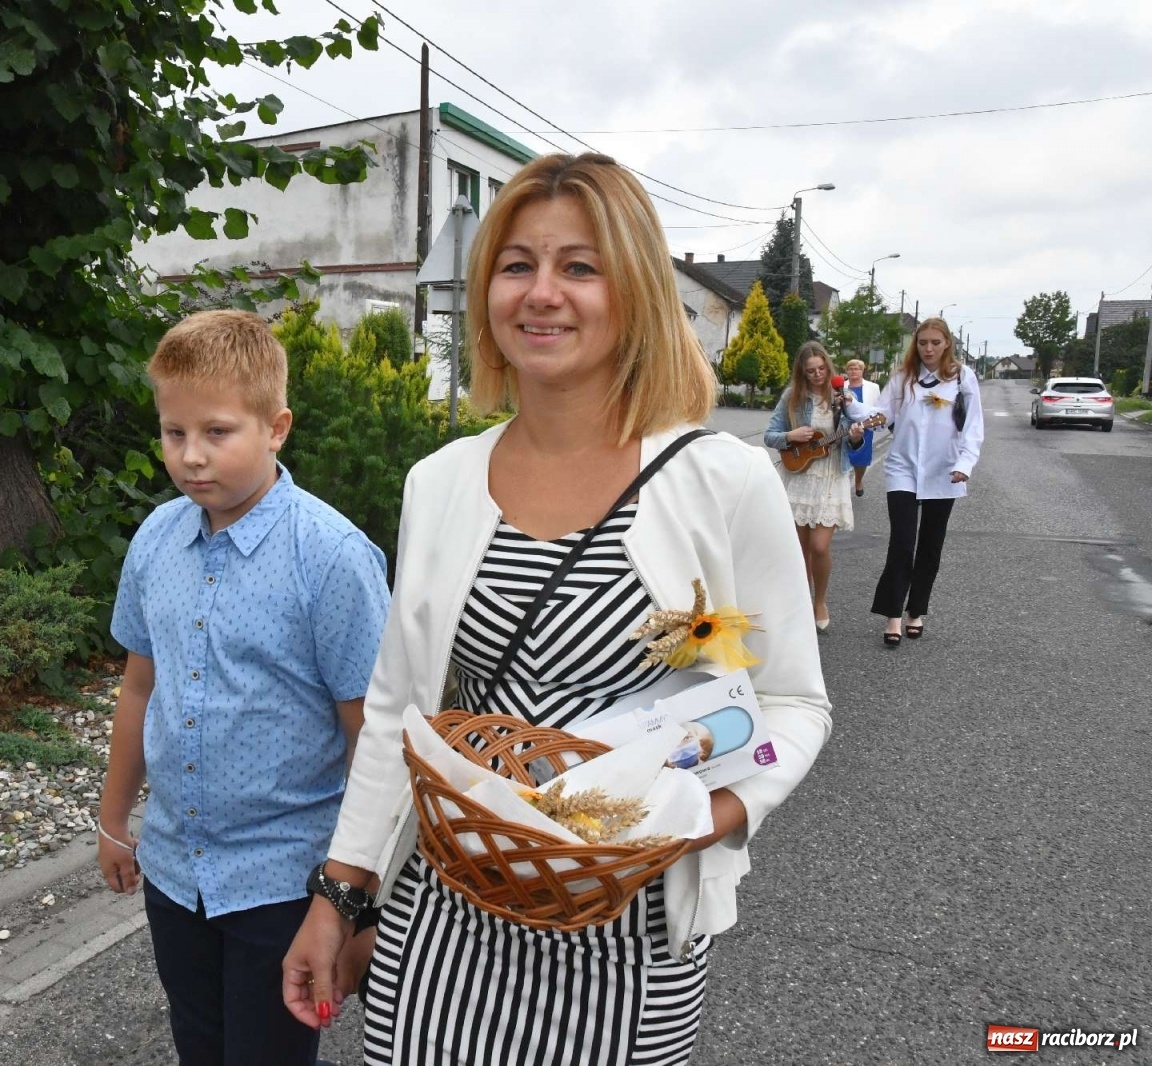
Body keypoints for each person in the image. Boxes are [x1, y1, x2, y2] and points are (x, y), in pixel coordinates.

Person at [281, 153, 833, 1065]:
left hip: (630, 935)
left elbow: (794, 707)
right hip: (447, 918)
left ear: (636, 292)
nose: (543, 293)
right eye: (516, 265)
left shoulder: (721, 481)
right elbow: (395, 716)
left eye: (580, 266)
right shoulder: (440, 481)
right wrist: (338, 896)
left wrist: (700, 819)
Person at [97, 309, 391, 1065]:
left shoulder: (331, 559)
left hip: (286, 881)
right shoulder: (156, 540)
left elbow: (372, 739)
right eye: (173, 433)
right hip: (175, 870)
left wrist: (356, 906)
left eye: (218, 433)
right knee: (199, 1042)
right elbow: (138, 689)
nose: (191, 457)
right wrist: (112, 819)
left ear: (276, 427)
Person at [871, 316, 984, 647]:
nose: (929, 348)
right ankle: (893, 614)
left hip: (944, 470)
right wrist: (861, 418)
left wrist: (965, 463)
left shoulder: (962, 378)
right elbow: (882, 415)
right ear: (916, 345)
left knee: (930, 546)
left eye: (935, 342)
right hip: (902, 468)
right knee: (903, 542)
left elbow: (973, 426)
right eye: (923, 343)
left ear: (947, 343)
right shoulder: (904, 378)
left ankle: (915, 611)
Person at [763, 341, 867, 632]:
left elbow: (853, 441)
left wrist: (857, 435)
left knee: (819, 547)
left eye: (822, 368)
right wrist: (791, 435)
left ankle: (819, 601)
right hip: (799, 477)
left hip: (832, 475)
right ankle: (798, 604)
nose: (818, 374)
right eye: (811, 371)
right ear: (802, 372)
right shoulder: (791, 397)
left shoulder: (841, 396)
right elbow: (770, 436)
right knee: (799, 549)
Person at [843, 358, 882, 496]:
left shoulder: (873, 387)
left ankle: (858, 480)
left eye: (857, 368)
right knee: (844, 455)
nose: (854, 371)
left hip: (865, 427)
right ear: (847, 371)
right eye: (851, 368)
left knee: (861, 459)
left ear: (862, 371)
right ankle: (843, 486)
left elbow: (878, 408)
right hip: (843, 427)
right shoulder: (841, 386)